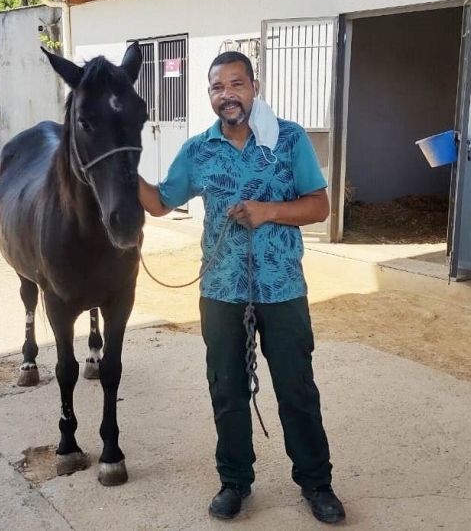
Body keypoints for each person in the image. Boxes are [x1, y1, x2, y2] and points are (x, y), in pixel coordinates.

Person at [137, 51, 345, 524]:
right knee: (226, 389)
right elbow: (159, 203)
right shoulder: (197, 150)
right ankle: (234, 481)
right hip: (221, 291)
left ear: (254, 87)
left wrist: (270, 211)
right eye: (217, 87)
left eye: (236, 84)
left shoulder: (288, 140)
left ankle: (317, 484)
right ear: (209, 95)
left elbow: (319, 206)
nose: (226, 94)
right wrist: (120, 165)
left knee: (296, 389)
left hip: (283, 287)